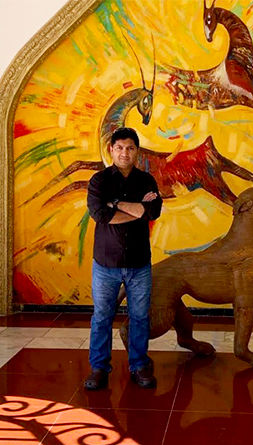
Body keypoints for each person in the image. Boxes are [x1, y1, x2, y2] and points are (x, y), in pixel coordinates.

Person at [84, 127, 162, 390]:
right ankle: (99, 368)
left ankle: (139, 366)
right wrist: (137, 210)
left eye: (130, 148)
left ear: (137, 151)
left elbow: (153, 212)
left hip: (139, 263)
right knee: (102, 316)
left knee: (140, 317)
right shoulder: (99, 181)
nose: (124, 153)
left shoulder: (146, 181)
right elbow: (100, 215)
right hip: (106, 263)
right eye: (119, 148)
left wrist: (115, 203)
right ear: (111, 150)